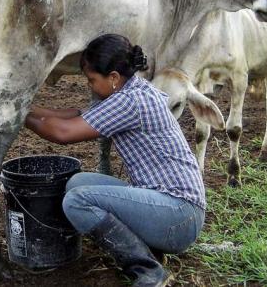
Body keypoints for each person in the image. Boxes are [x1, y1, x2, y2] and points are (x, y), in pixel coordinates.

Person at [24, 34, 205, 287]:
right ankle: (149, 249)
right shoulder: (132, 90)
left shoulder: (129, 102)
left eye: (91, 80)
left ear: (113, 78)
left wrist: (17, 117)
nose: (89, 86)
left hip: (179, 216)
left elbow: (63, 133)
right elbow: (73, 115)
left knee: (77, 201)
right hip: (172, 208)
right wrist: (23, 107)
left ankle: (149, 270)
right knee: (76, 183)